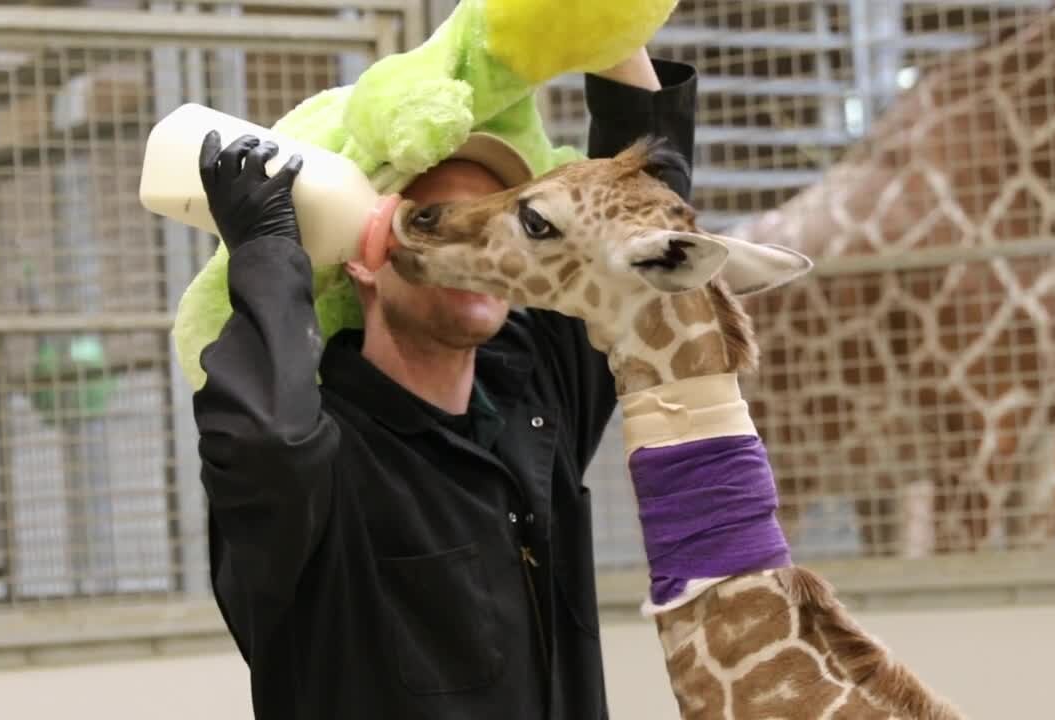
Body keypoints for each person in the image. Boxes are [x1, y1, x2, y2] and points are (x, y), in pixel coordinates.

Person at [191, 47, 697, 720]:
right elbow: (268, 443)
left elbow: (647, 205)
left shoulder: (536, 401)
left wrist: (608, 27)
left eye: (503, 224)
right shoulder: (325, 461)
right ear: (366, 260)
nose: (483, 251)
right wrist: (267, 253)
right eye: (434, 220)